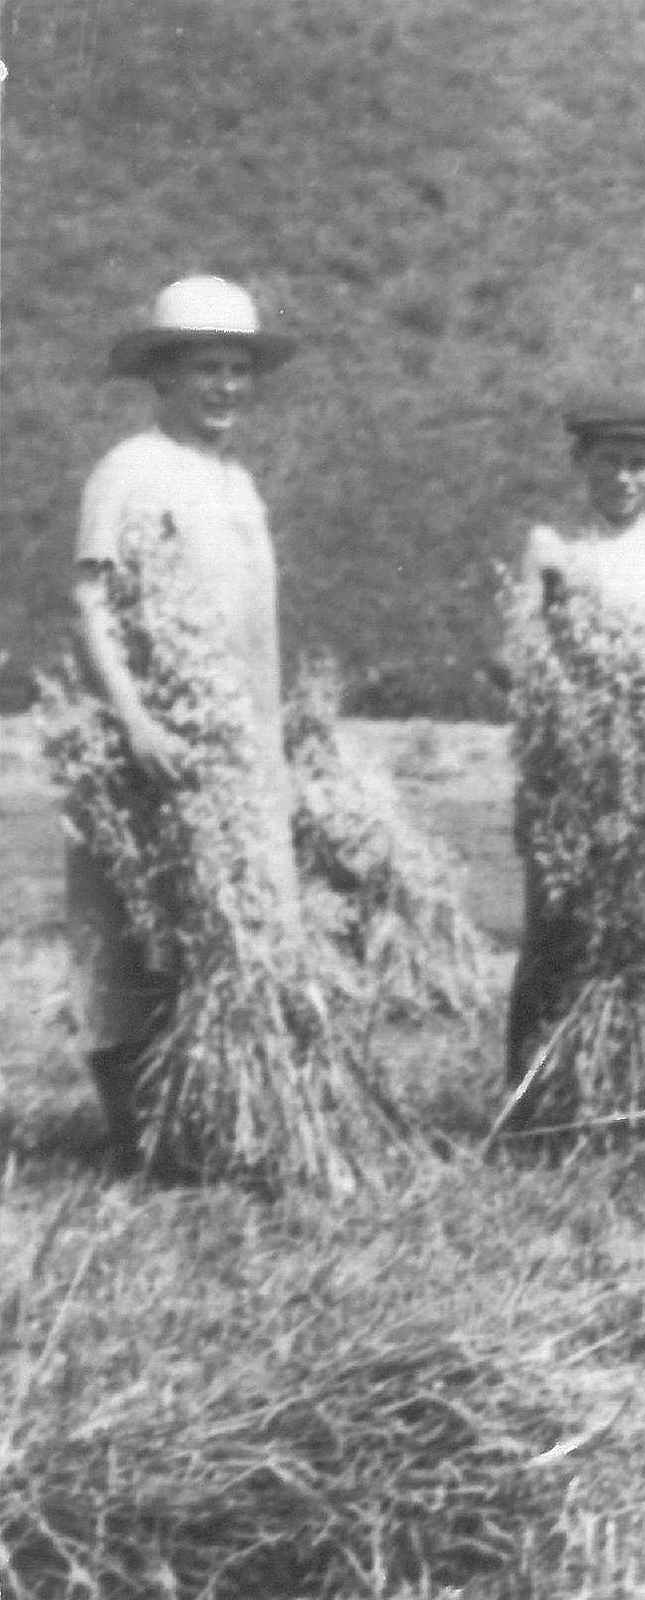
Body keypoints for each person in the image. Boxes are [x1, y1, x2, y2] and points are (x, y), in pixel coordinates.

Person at [67, 275, 302, 1162]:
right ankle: (145, 1135)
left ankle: (219, 1118)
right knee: (135, 935)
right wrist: (136, 724)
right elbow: (90, 603)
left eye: (240, 369)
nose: (227, 387)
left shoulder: (235, 481)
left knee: (230, 926)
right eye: (208, 368)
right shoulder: (130, 471)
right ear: (162, 376)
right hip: (152, 746)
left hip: (235, 744)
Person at [501, 396, 645, 1083]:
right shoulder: (553, 545)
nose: (622, 477)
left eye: (638, 464)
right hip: (572, 763)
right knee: (558, 923)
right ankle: (539, 1093)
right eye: (608, 462)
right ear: (580, 463)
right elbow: (521, 649)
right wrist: (568, 714)